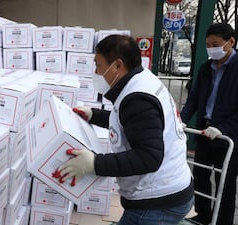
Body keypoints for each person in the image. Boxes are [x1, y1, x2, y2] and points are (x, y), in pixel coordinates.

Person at [52, 34, 194, 225]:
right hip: (171, 190)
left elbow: (149, 157)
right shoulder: (141, 80)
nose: (96, 72)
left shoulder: (137, 99)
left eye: (98, 65)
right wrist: (94, 115)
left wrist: (94, 163)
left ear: (118, 65)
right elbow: (131, 123)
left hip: (157, 202)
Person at [180, 23, 238, 225]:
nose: (211, 48)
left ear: (231, 42)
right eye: (208, 44)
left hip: (228, 135)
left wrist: (223, 128)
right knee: (201, 175)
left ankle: (222, 221)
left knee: (225, 183)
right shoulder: (206, 68)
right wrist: (182, 119)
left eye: (216, 44)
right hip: (205, 130)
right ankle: (203, 215)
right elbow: (194, 99)